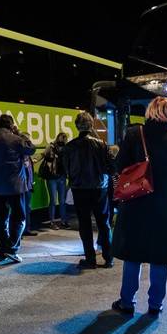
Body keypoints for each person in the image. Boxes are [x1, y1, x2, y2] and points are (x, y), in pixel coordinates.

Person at [111, 98, 167, 315]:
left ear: (149, 112)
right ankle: (155, 305)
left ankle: (127, 302)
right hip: (164, 205)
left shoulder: (133, 134)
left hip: (136, 203)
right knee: (160, 255)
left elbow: (119, 166)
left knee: (133, 254)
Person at [62, 112, 115, 269]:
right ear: (91, 125)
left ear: (77, 126)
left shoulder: (70, 147)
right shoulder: (101, 144)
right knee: (103, 223)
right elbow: (112, 168)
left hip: (79, 189)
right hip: (100, 188)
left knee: (84, 224)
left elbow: (65, 169)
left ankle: (90, 259)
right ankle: (109, 257)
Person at [0, 114, 35, 263]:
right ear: (11, 126)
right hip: (16, 187)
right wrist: (17, 133)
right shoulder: (17, 139)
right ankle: (12, 248)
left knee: (1, 220)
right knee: (19, 218)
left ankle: (3, 250)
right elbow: (31, 149)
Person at [39, 132, 70, 230]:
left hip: (61, 177)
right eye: (62, 138)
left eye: (64, 139)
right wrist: (35, 159)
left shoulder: (66, 148)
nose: (63, 140)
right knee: (53, 200)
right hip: (52, 177)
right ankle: (52, 221)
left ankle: (63, 221)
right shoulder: (51, 147)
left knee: (62, 200)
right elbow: (43, 155)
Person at [22, 151, 38, 237]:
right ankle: (20, 231)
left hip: (28, 187)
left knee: (27, 209)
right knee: (21, 210)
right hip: (22, 188)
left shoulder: (28, 157)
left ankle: (27, 229)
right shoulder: (20, 158)